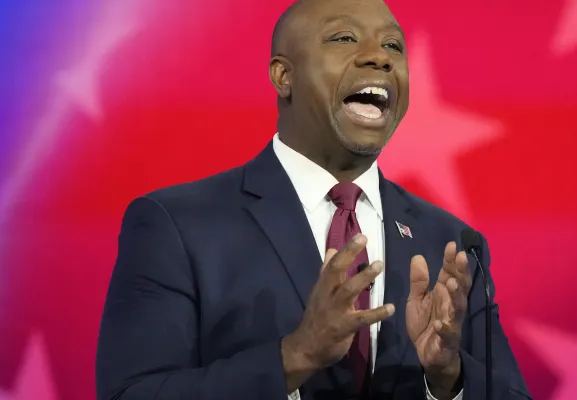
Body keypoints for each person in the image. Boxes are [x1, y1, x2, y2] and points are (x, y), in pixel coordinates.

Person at [95, 0, 531, 399]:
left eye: (393, 46)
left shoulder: (452, 243)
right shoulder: (176, 225)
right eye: (343, 38)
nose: (379, 57)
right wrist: (294, 356)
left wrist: (448, 376)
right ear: (284, 76)